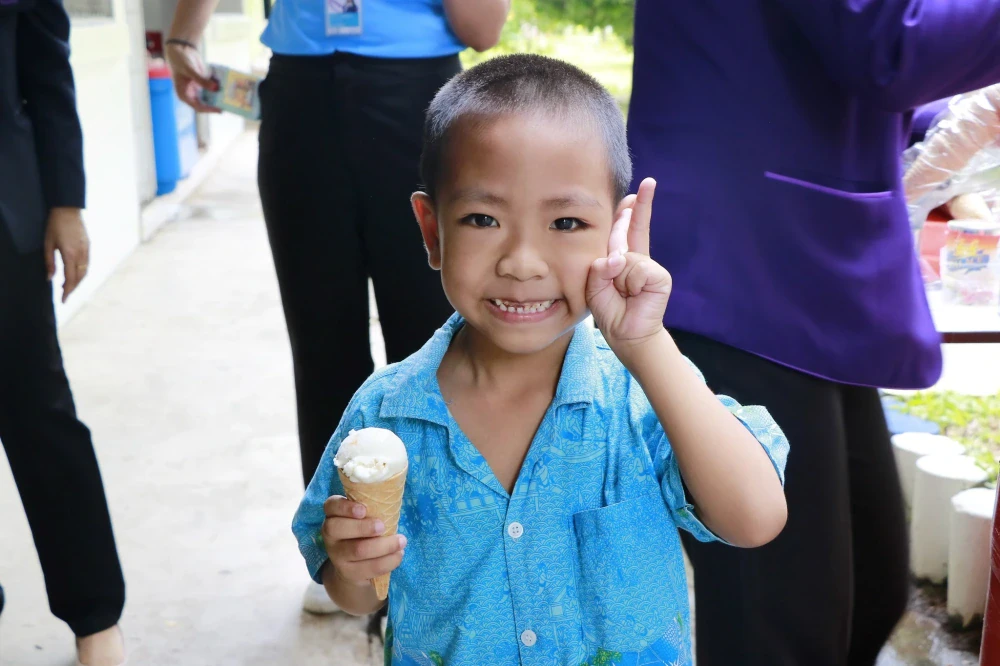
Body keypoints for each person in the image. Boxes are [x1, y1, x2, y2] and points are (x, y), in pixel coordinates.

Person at [291, 54, 790, 665]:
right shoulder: (384, 416)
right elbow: (356, 595)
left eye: (566, 221)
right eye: (482, 218)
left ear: (616, 232)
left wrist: (646, 346)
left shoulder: (639, 399)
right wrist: (350, 566)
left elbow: (755, 518)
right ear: (431, 230)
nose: (522, 261)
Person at [626, 1, 1000, 664]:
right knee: (782, 624)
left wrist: (947, 123)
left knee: (871, 588)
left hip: (793, 258)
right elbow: (888, 43)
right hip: (738, 261)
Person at [165, 0, 508, 614]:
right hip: (298, 93)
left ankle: (455, 558)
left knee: (439, 346)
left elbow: (483, 28)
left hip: (416, 93)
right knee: (323, 347)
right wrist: (184, 34)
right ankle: (344, 559)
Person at [0, 0, 126, 664]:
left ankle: (95, 619)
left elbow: (45, 65)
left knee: (38, 414)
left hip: (5, 209)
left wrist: (65, 203)